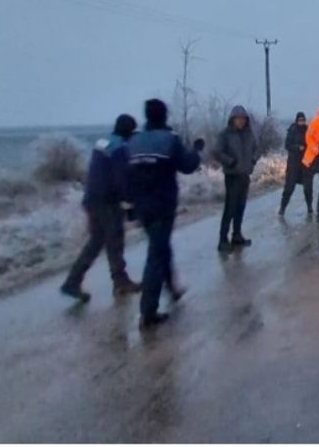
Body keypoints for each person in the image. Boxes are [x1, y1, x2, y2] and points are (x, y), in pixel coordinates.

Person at [126, 99, 203, 329]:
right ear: (164, 116)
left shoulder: (134, 141)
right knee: (156, 256)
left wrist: (129, 205)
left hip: (141, 206)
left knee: (160, 247)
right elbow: (188, 165)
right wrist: (197, 149)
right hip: (162, 205)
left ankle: (172, 289)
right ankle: (148, 312)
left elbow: (126, 174)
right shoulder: (169, 140)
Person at [60, 114, 141, 302]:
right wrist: (131, 201)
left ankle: (72, 281)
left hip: (91, 198)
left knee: (96, 242)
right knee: (115, 239)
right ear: (129, 131)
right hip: (107, 201)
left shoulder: (102, 143)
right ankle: (120, 282)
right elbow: (121, 179)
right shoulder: (119, 148)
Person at [212, 105, 259, 252]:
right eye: (238, 119)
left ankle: (237, 235)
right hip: (232, 175)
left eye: (243, 119)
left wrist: (253, 160)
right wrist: (230, 161)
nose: (241, 122)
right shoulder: (225, 134)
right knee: (230, 208)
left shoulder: (249, 134)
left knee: (241, 207)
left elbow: (256, 148)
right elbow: (217, 152)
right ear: (232, 119)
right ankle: (222, 239)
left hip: (245, 174)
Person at [279, 112, 313, 218]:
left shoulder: (308, 131)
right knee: (289, 188)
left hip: (306, 164)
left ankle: (309, 207)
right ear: (296, 120)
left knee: (308, 188)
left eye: (303, 120)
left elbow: (313, 144)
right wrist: (297, 147)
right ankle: (282, 208)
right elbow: (287, 145)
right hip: (293, 163)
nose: (301, 122)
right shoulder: (292, 131)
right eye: (300, 120)